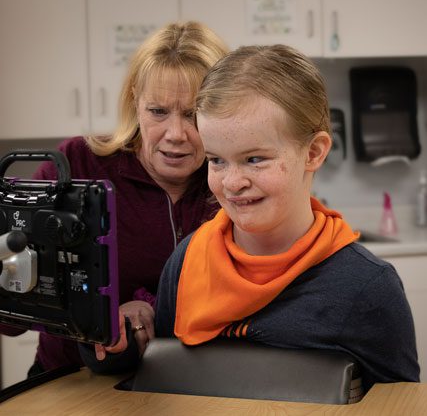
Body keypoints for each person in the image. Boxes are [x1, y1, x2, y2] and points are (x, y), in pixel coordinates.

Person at [82, 44, 420, 391]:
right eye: (216, 160)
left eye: (255, 159)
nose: (232, 183)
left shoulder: (366, 287)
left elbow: (399, 406)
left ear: (314, 152)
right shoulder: (186, 262)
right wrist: (113, 347)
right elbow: (164, 381)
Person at [0, 21, 228, 375]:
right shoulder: (77, 165)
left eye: (193, 114)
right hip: (71, 382)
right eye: (158, 111)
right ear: (134, 101)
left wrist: (150, 307)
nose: (176, 134)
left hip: (193, 384)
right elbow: (14, 317)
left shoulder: (234, 182)